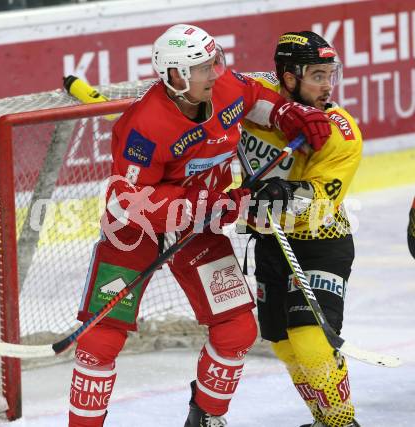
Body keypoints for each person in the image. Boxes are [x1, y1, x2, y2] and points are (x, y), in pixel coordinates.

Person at [68, 24, 331, 427]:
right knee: (100, 340)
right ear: (174, 75)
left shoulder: (223, 87)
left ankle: (205, 417)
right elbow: (131, 202)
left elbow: (257, 100)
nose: (215, 72)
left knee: (237, 329)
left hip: (200, 223)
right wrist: (215, 204)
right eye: (202, 67)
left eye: (214, 61)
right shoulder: (145, 126)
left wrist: (292, 113)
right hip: (135, 229)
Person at [241, 31, 362, 427]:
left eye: (331, 75)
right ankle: (323, 420)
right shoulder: (255, 95)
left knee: (310, 343)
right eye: (317, 75)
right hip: (271, 243)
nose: (328, 86)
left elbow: (321, 202)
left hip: (320, 242)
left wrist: (285, 191)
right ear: (288, 78)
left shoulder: (338, 131)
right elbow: (187, 109)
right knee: (283, 345)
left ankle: (344, 422)